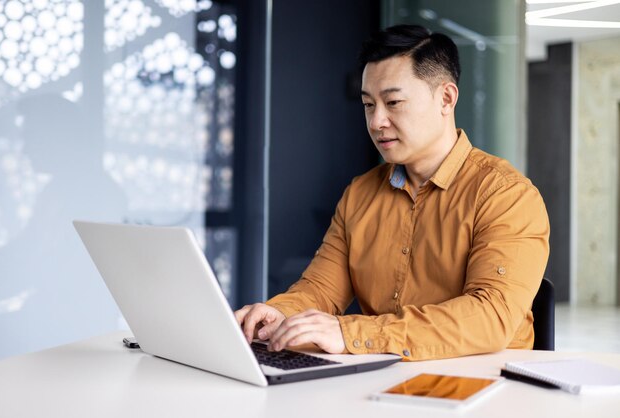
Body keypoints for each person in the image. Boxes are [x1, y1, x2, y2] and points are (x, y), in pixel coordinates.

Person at [234, 24, 550, 361]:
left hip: (486, 387)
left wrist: (350, 333)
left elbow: (490, 317)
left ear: (446, 98)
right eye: (369, 105)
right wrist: (279, 314)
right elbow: (321, 289)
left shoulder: (506, 196)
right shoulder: (360, 195)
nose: (376, 121)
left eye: (393, 102)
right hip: (384, 381)